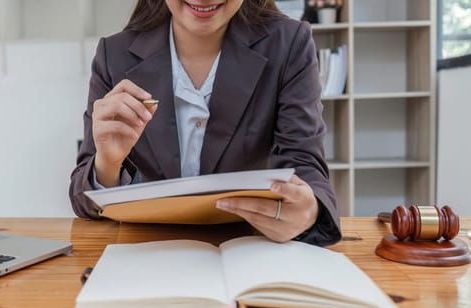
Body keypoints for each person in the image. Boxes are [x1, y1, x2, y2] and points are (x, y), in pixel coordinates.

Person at [69, 0, 341, 246]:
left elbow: (306, 166)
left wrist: (308, 211)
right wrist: (108, 165)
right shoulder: (114, 54)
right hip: (147, 250)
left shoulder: (289, 43)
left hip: (249, 247)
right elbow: (83, 199)